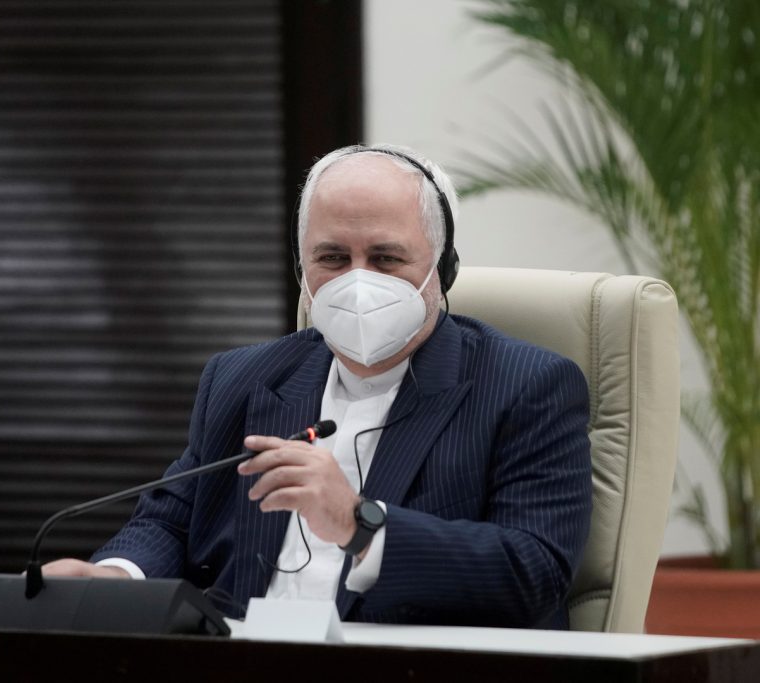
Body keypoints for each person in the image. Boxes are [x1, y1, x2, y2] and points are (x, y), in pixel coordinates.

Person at [43, 144, 593, 628]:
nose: (358, 281)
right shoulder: (242, 378)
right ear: (301, 270)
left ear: (442, 270)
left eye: (385, 258)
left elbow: (534, 572)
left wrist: (360, 525)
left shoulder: (527, 386)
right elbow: (171, 522)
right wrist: (117, 577)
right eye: (333, 258)